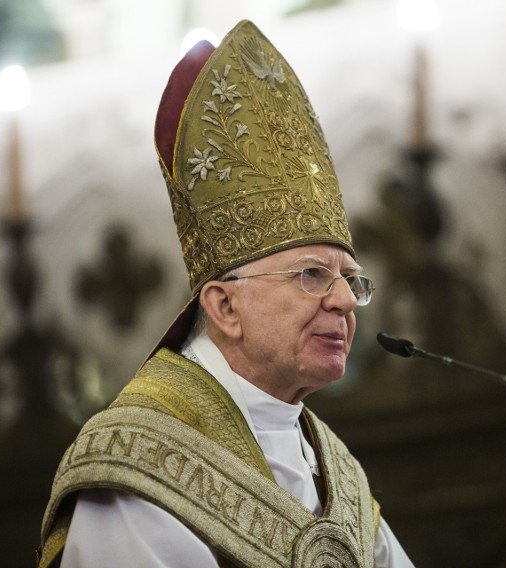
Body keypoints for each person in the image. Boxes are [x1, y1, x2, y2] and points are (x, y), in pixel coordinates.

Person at [38, 19, 415, 567]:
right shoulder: (138, 466)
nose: (342, 301)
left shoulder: (340, 477)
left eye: (350, 280)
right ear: (223, 306)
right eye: (312, 275)